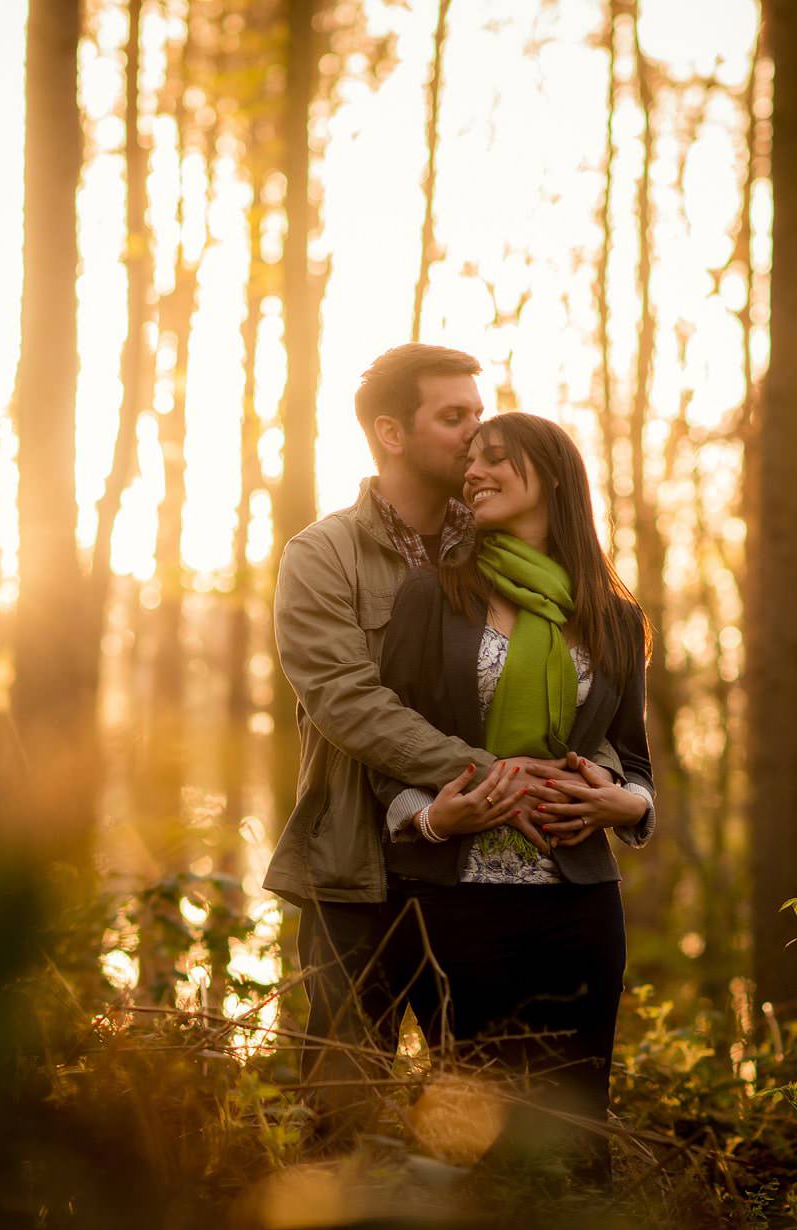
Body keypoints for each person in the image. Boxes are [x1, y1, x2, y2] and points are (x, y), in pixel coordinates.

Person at [263, 345, 609, 1142]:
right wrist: (497, 778)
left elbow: (584, 687)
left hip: (482, 876)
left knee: (490, 1110)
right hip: (358, 874)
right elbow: (347, 702)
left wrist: (607, 789)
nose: (476, 437)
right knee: (346, 1114)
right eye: (454, 418)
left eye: (478, 416)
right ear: (390, 432)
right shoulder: (324, 556)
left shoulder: (507, 549)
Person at [366, 410, 656, 1183]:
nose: (475, 473)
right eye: (471, 464)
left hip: (579, 905)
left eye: (497, 459)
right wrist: (430, 816)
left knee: (576, 1125)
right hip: (456, 901)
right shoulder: (435, 595)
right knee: (466, 1130)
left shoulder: (614, 617)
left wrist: (628, 807)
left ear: (552, 474)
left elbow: (633, 759)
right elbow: (387, 747)